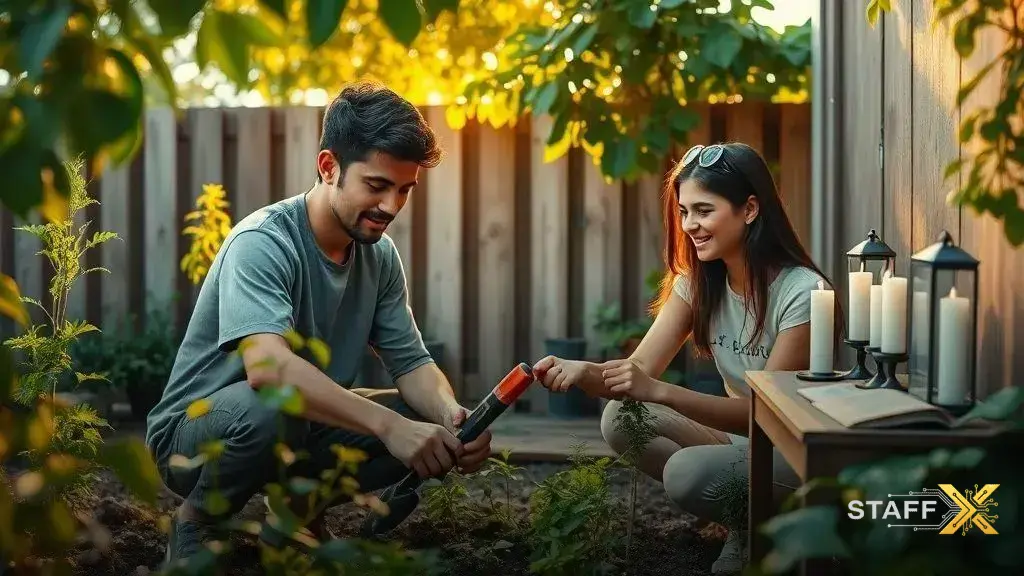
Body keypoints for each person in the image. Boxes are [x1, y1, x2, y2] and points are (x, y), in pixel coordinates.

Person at [145, 80, 493, 564]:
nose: (391, 206)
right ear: (329, 167)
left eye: (404, 190)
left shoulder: (379, 255)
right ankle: (195, 520)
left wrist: (452, 417)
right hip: (196, 436)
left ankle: (294, 516)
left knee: (422, 421)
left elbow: (411, 361)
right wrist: (388, 427)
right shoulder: (263, 242)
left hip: (297, 424)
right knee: (277, 405)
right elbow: (268, 371)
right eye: (376, 186)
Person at [532, 142, 840, 574]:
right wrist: (585, 373)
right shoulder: (698, 283)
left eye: (703, 210)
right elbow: (635, 375)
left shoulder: (802, 293)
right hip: (741, 443)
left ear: (749, 209)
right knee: (619, 417)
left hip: (794, 453)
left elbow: (768, 418)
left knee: (686, 474)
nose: (690, 225)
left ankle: (770, 523)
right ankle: (746, 520)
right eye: (683, 211)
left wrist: (663, 392)